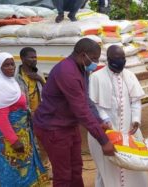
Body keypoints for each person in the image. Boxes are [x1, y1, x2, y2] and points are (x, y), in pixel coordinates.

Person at [32, 38, 115, 187]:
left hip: (68, 126)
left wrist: (99, 121)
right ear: (84, 55)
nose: (95, 62)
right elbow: (81, 110)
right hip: (53, 128)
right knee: (63, 175)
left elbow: (86, 99)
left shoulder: (82, 69)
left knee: (76, 168)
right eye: (94, 58)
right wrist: (104, 140)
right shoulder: (67, 72)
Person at [0, 52, 49, 187]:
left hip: (23, 132)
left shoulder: (12, 83)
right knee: (15, 168)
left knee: (25, 165)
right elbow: (1, 118)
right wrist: (14, 141)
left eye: (12, 64)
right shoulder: (0, 88)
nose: (11, 67)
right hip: (12, 137)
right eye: (6, 65)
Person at [88, 45, 148, 187]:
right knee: (108, 167)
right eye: (117, 58)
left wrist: (136, 120)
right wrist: (105, 118)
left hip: (128, 130)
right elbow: (94, 104)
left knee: (133, 165)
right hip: (106, 131)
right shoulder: (96, 77)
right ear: (108, 59)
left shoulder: (130, 75)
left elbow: (136, 101)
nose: (121, 61)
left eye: (123, 58)